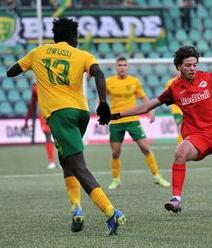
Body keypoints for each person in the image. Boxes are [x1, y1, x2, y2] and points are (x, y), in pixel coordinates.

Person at [108, 46, 212, 214]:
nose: (192, 68)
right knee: (180, 152)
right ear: (178, 67)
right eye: (188, 65)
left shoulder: (209, 78)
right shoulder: (174, 88)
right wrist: (116, 115)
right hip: (198, 137)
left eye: (195, 64)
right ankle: (176, 199)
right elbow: (147, 106)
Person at [6, 17, 125, 234]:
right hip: (80, 113)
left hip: (59, 115)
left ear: (55, 37)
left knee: (78, 165)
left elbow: (11, 71)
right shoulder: (82, 55)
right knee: (67, 161)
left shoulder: (38, 52)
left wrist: (35, 68)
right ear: (73, 38)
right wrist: (103, 103)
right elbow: (98, 72)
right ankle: (76, 208)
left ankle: (111, 212)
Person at [106, 57, 170, 189]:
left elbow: (143, 97)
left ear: (127, 67)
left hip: (132, 120)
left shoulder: (134, 81)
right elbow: (102, 97)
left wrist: (151, 111)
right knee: (115, 152)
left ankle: (157, 176)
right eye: (119, 65)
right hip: (116, 121)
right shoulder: (109, 82)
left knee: (145, 148)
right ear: (116, 67)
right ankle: (116, 179)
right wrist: (100, 108)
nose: (122, 67)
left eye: (124, 65)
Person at [23, 82, 57, 169]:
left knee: (59, 136)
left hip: (56, 111)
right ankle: (51, 161)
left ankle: (63, 161)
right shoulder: (36, 87)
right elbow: (32, 105)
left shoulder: (53, 82)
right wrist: (26, 122)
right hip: (44, 114)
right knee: (48, 134)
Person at [164, 72, 183, 144]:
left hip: (187, 108)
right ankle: (181, 143)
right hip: (176, 109)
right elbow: (166, 94)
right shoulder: (170, 82)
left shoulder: (187, 80)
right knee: (180, 127)